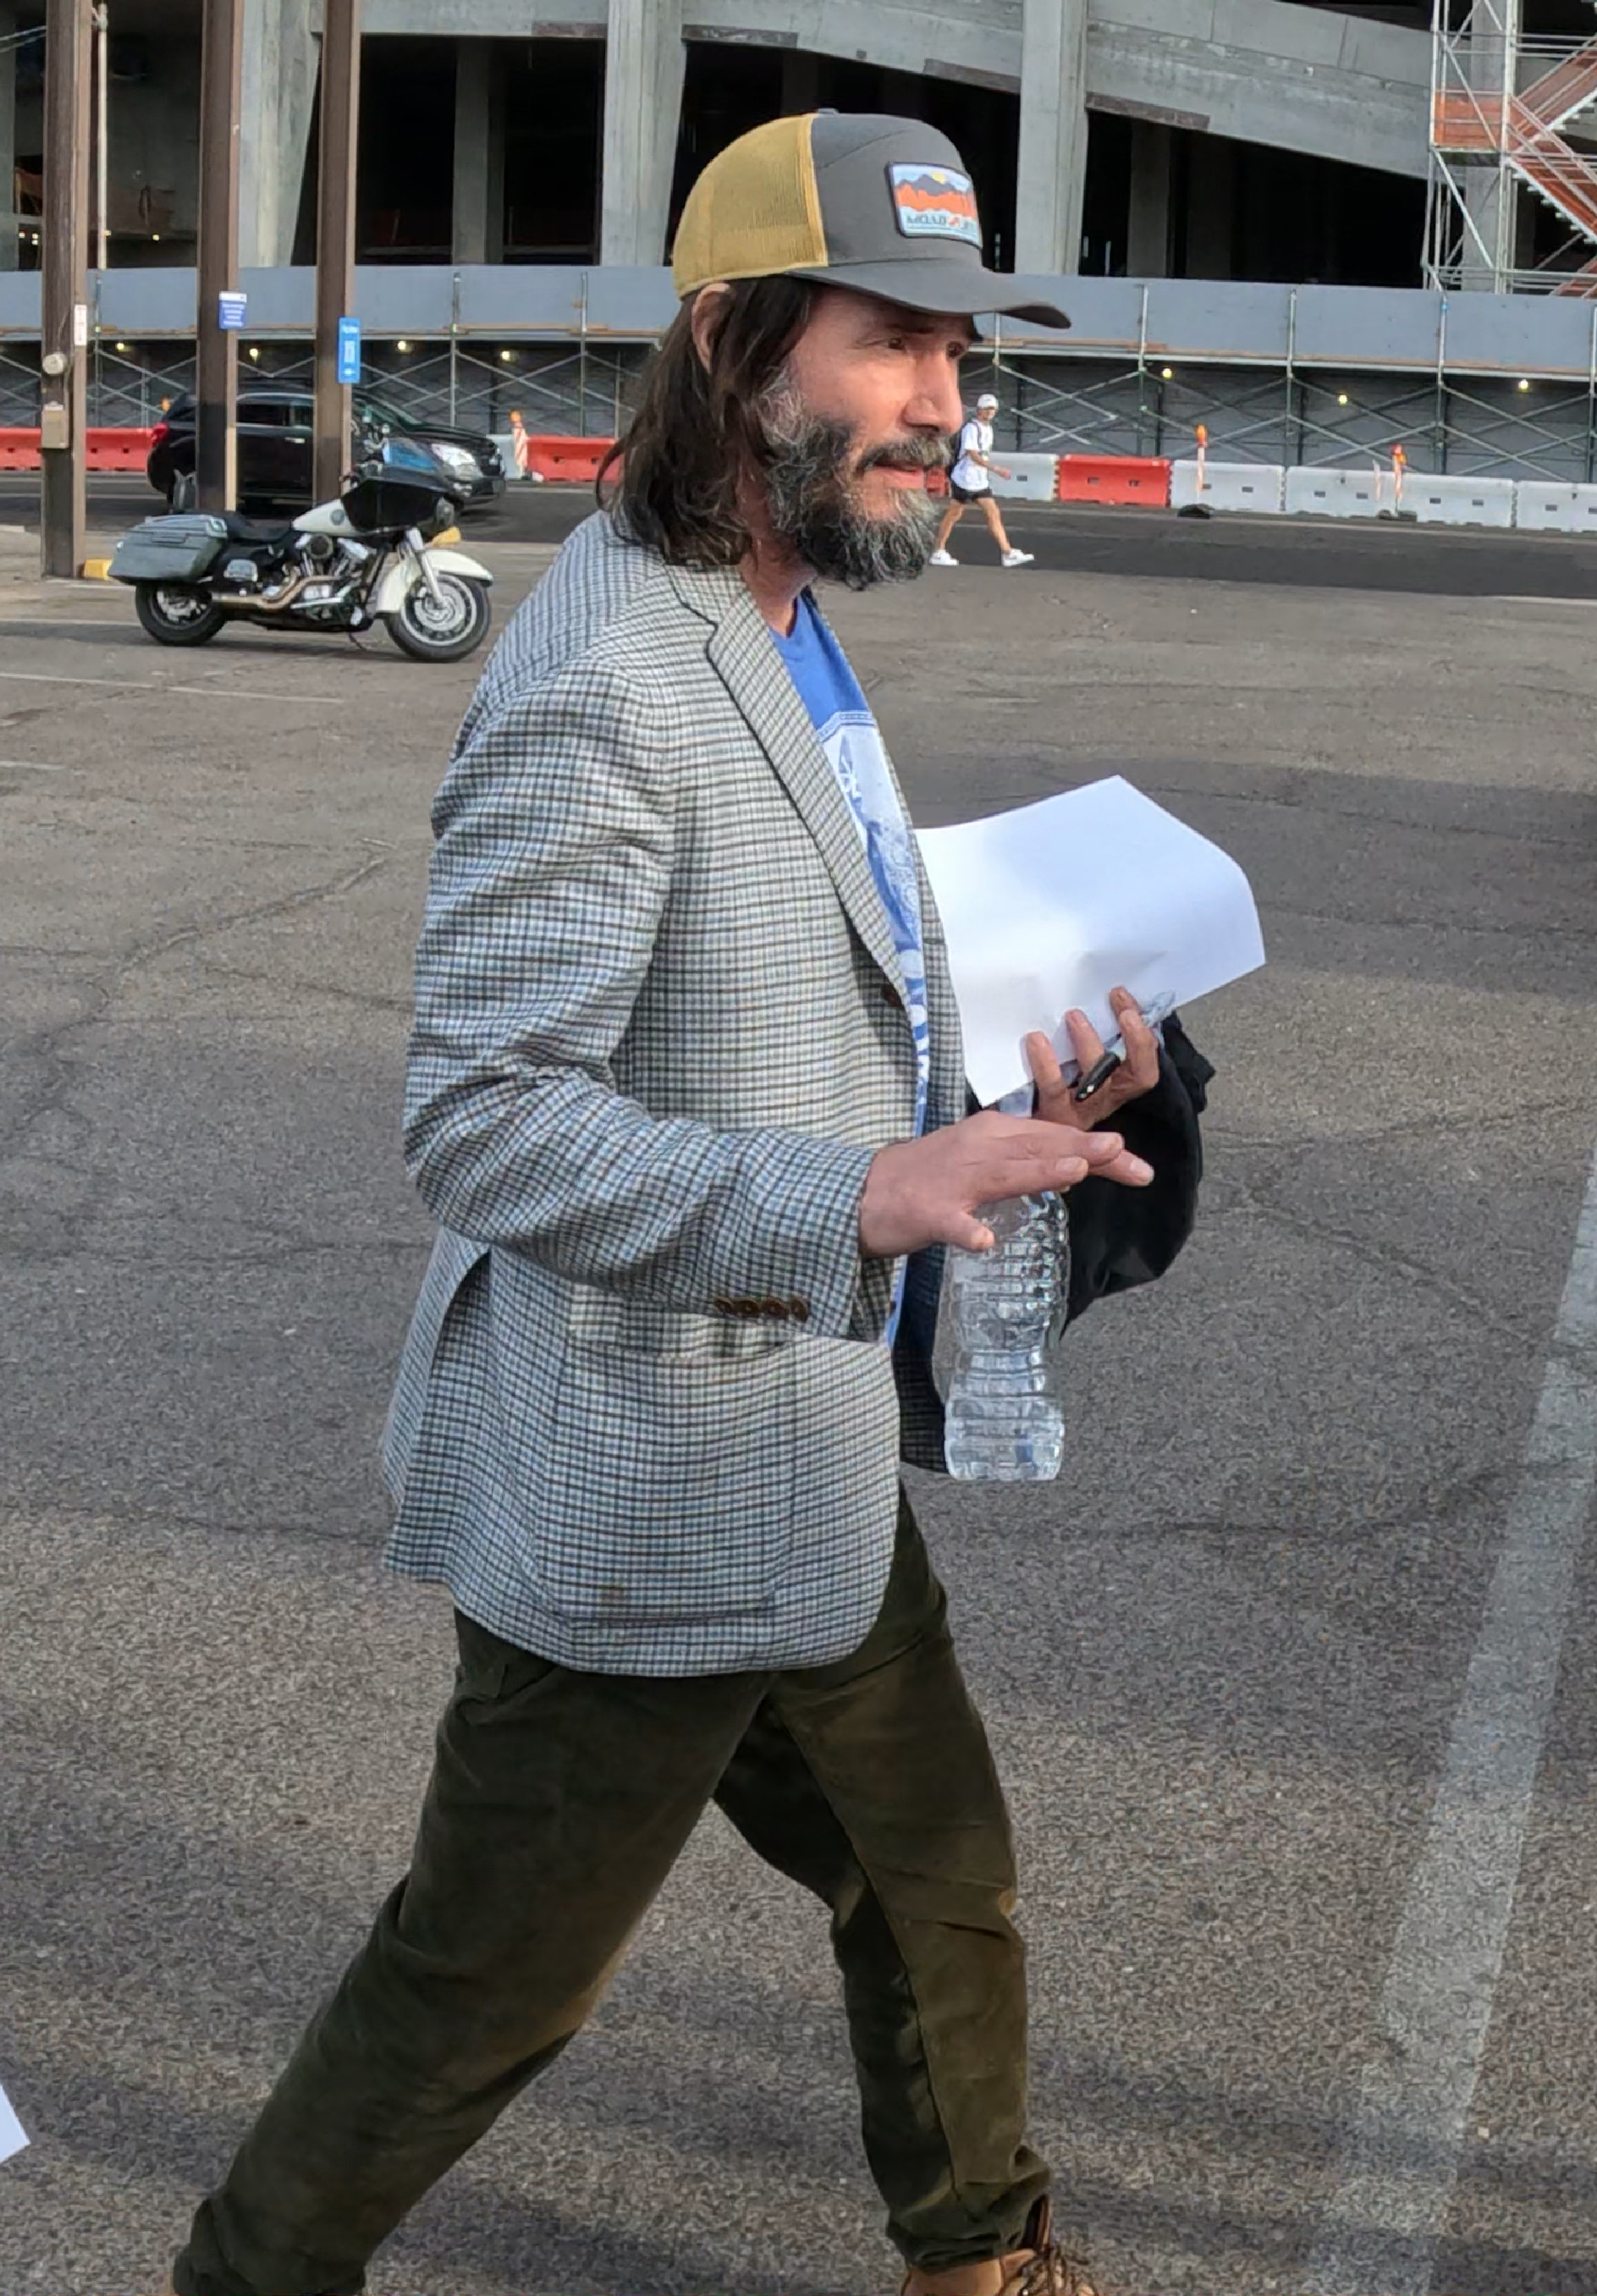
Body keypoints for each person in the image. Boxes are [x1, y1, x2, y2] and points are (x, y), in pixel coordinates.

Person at [156, 111, 1211, 2296]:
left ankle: (980, 2247)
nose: (947, 400)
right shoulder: (607, 680)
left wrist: (1000, 1074)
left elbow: (773, 980)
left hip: (796, 1457)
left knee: (934, 1880)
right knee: (481, 1994)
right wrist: (859, 1185)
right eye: (897, 342)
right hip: (635, 1479)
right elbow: (488, 1120)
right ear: (737, 352)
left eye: (959, 351)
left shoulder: (779, 613)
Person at [928, 390, 1034, 569]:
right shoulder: (972, 428)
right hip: (965, 479)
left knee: (992, 513)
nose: (990, 412)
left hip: (978, 480)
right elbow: (973, 455)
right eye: (987, 408)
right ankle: (938, 551)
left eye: (993, 409)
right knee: (954, 514)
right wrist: (996, 469)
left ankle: (1007, 553)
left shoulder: (988, 430)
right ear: (980, 410)